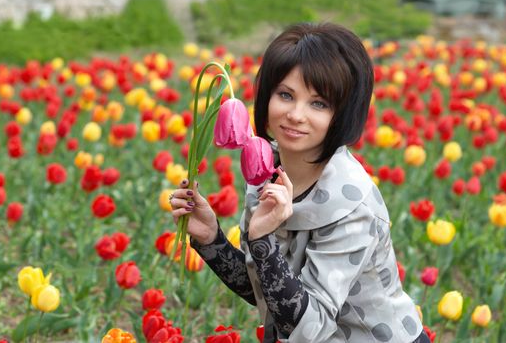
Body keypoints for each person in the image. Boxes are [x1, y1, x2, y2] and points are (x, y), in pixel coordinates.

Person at [170, 23, 430, 343]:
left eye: (318, 103)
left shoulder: (350, 205)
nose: (295, 114)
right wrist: (212, 239)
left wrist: (262, 239)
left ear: (343, 114)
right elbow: (266, 290)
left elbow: (309, 328)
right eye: (285, 95)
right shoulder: (269, 172)